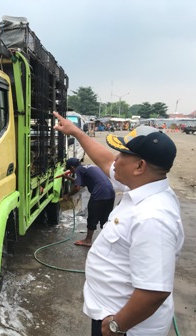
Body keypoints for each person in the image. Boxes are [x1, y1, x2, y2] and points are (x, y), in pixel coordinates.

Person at [53, 111, 184, 336]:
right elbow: (105, 160)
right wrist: (75, 131)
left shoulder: (153, 217)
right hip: (112, 315)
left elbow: (154, 292)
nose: (115, 159)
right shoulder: (141, 185)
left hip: (126, 327)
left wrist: (115, 325)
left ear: (140, 166)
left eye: (122, 154)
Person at [62, 157, 115, 247]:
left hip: (99, 194)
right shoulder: (89, 167)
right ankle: (108, 242)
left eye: (70, 170)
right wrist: (68, 177)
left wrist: (68, 195)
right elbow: (81, 183)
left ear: (72, 167)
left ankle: (88, 240)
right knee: (105, 218)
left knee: (92, 217)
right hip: (110, 193)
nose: (72, 172)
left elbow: (77, 187)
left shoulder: (78, 170)